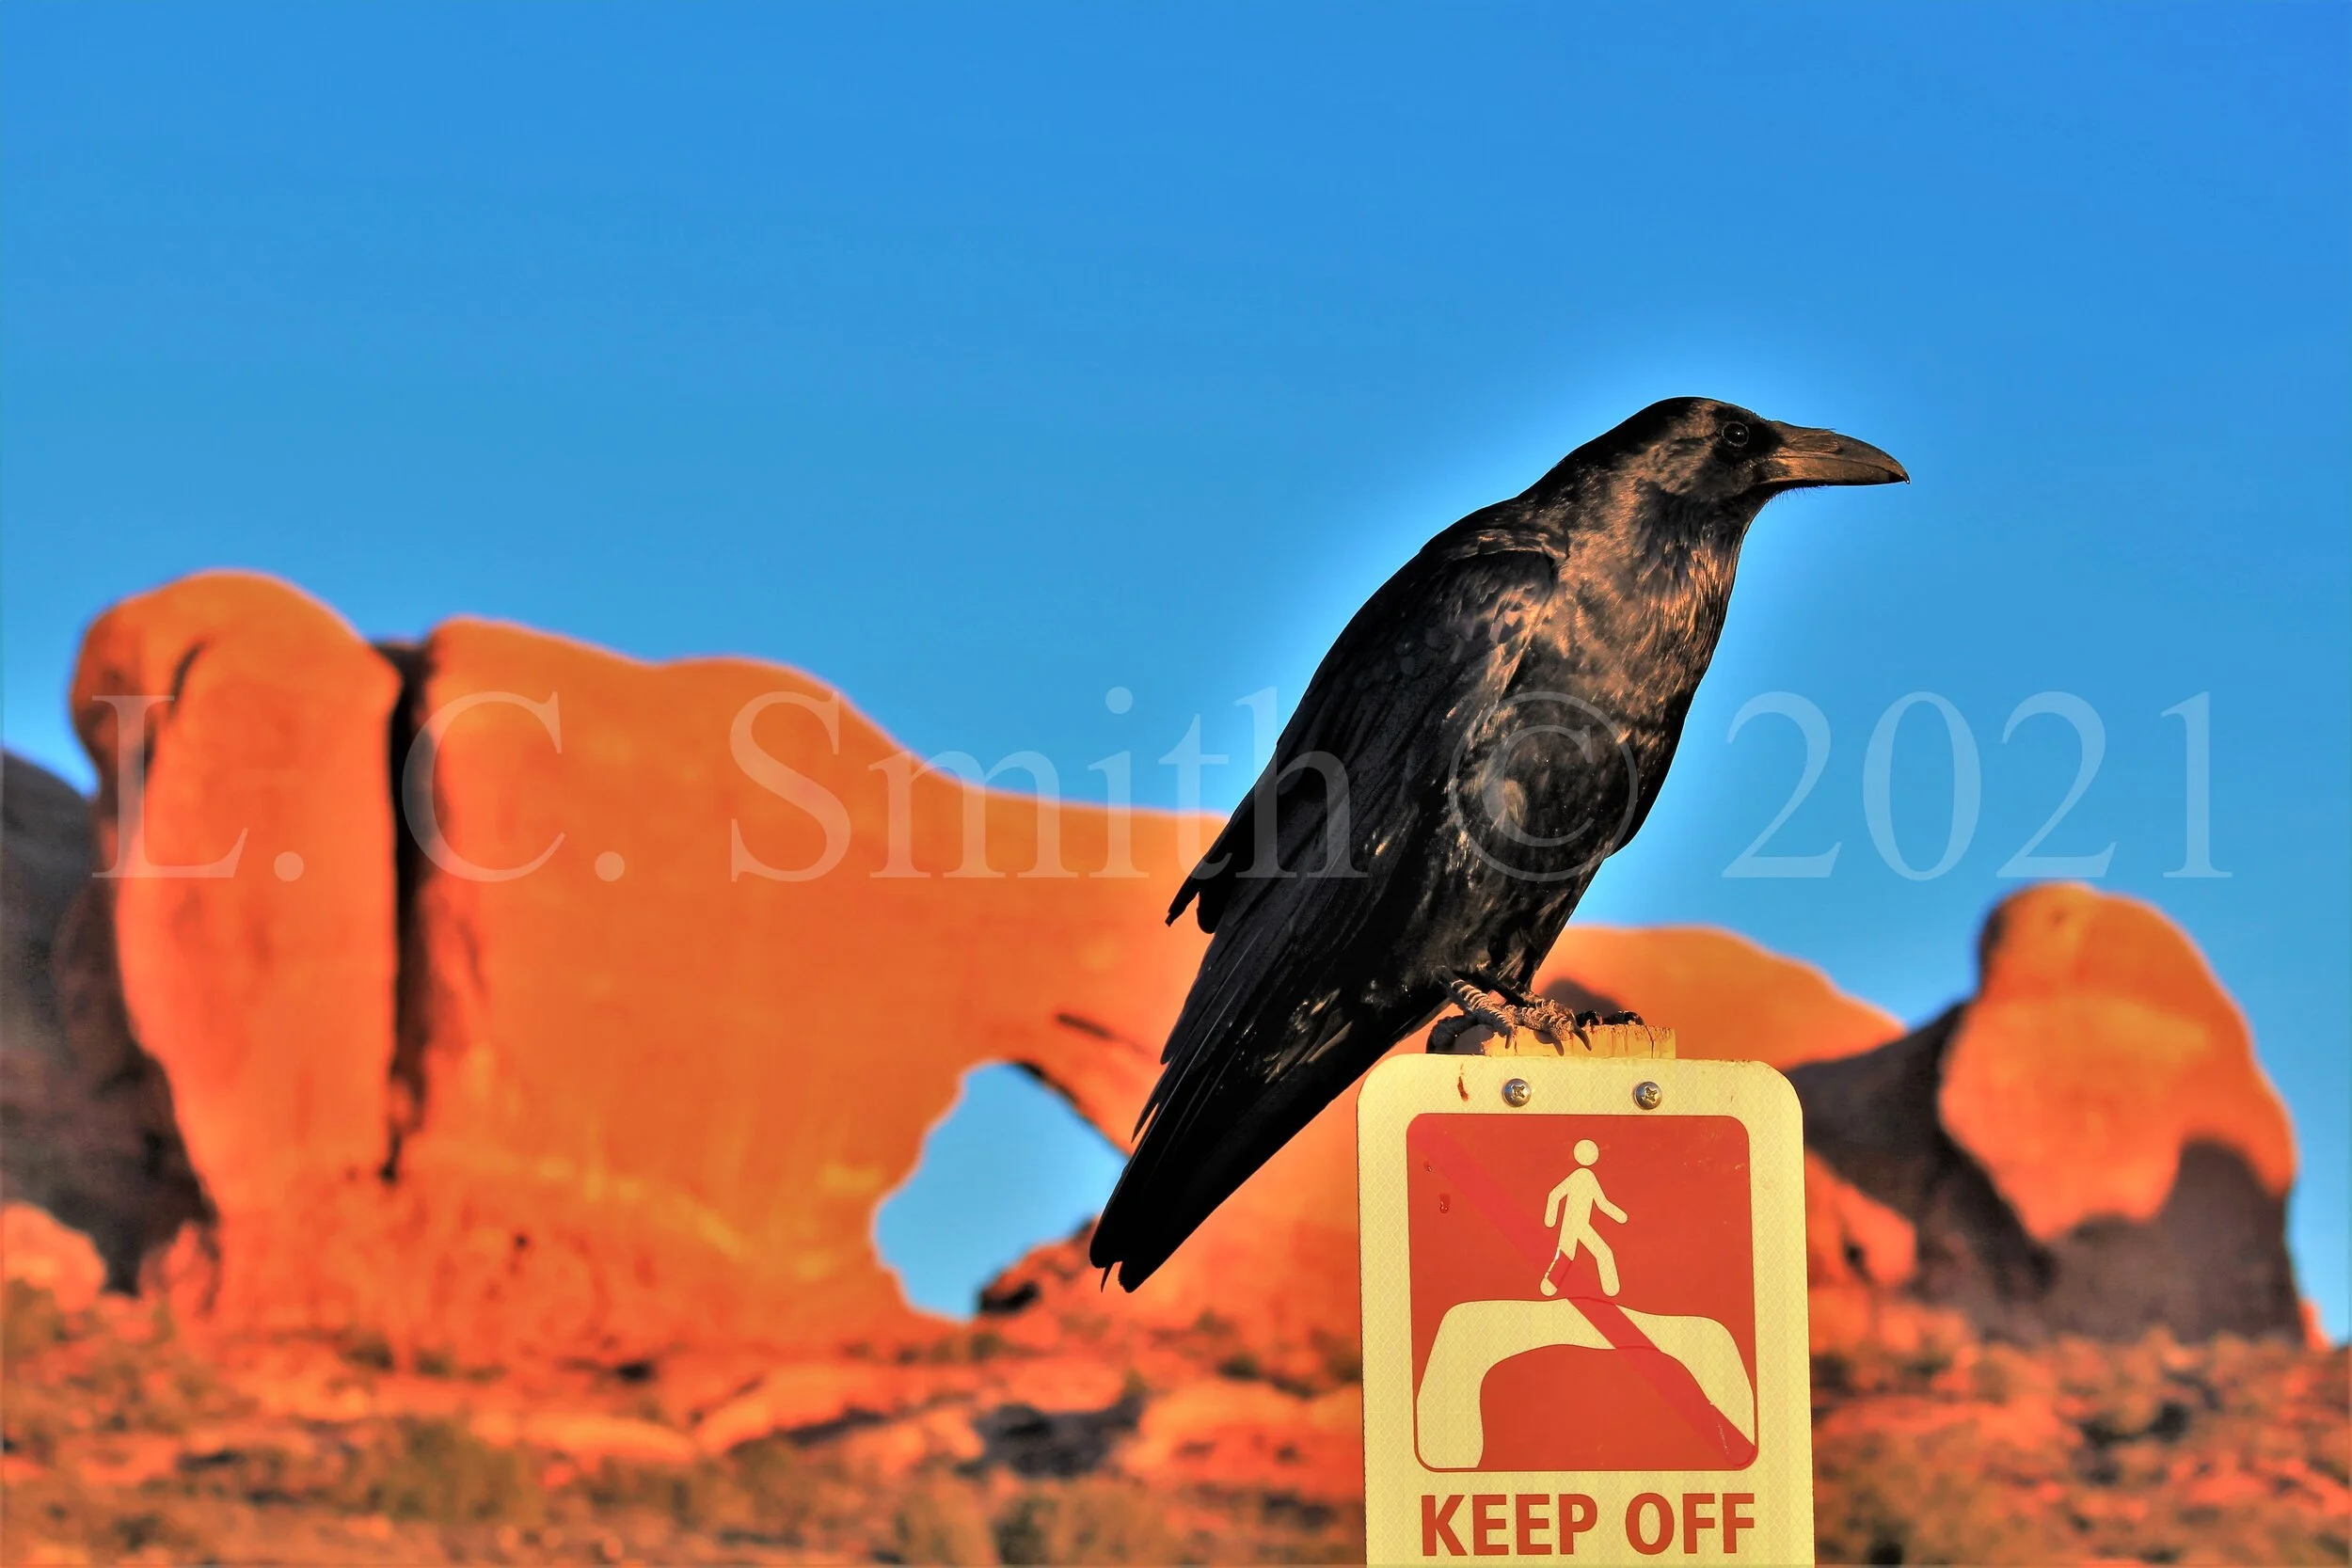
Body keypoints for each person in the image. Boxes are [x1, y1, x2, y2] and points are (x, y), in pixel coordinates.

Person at [1540, 1139, 1627, 1297]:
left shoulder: (1588, 1177)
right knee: (1599, 1252)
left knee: (1590, 1254)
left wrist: (1620, 1216)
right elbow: (1555, 1195)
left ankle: (1549, 1288)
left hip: (1580, 1224)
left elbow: (1602, 1203)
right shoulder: (1579, 1176)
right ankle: (1548, 1288)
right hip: (1572, 1225)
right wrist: (1550, 1219)